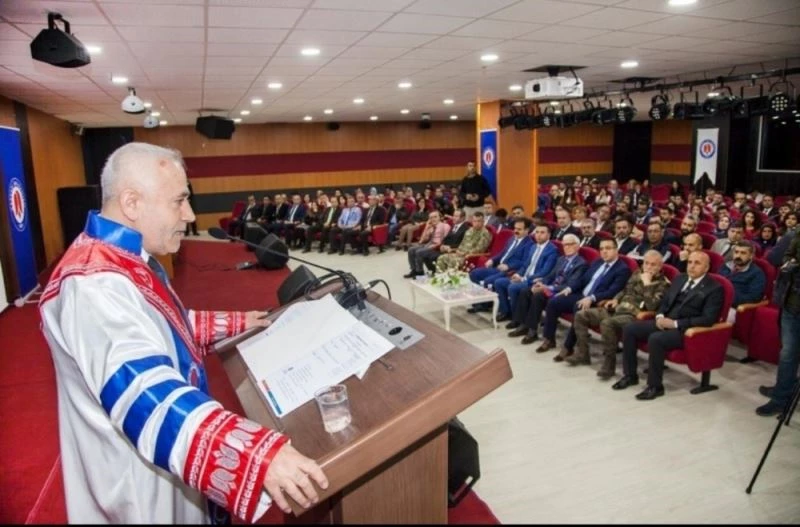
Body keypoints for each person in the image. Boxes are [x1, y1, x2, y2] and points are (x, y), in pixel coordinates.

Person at [38, 143, 328, 523]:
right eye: (179, 201)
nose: (189, 215)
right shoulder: (94, 285)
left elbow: (160, 324)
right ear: (132, 203)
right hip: (139, 482)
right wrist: (255, 455)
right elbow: (144, 393)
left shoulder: (122, 257)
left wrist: (237, 322)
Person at [613, 251, 724, 400]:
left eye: (697, 263)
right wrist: (660, 316)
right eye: (690, 262)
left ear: (707, 267)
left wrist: (675, 323)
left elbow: (708, 319)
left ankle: (655, 386)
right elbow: (665, 302)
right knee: (630, 329)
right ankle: (630, 375)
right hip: (665, 321)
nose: (691, 266)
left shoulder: (714, 288)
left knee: (656, 338)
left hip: (686, 329)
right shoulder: (680, 278)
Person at [568, 250, 670, 377]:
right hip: (617, 309)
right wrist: (615, 299)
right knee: (581, 315)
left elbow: (652, 306)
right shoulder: (637, 273)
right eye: (646, 263)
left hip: (633, 316)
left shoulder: (663, 284)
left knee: (607, 323)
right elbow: (625, 290)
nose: (648, 267)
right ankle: (583, 354)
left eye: (653, 264)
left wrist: (647, 284)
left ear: (660, 266)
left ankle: (609, 364)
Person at [536, 238, 632, 361]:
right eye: (601, 249)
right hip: (581, 295)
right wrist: (569, 289)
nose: (604, 251)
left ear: (616, 250)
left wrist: (592, 298)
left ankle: (568, 347)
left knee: (578, 308)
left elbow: (613, 291)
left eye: (608, 248)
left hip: (597, 301)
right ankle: (549, 339)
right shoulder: (598, 262)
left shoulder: (622, 269)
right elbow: (582, 280)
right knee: (554, 302)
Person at [506, 234, 587, 345]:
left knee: (538, 296)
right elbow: (550, 276)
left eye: (570, 244)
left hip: (562, 292)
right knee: (526, 291)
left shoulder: (581, 264)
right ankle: (523, 324)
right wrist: (541, 282)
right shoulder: (561, 259)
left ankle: (532, 331)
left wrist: (547, 287)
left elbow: (571, 284)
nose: (566, 247)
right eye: (564, 245)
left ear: (577, 246)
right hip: (550, 287)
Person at [757, 231, 800, 416]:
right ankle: (782, 393)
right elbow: (775, 258)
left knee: (789, 353)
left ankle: (782, 396)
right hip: (791, 301)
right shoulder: (795, 234)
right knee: (788, 353)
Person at [493, 224, 558, 322]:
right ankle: (506, 311)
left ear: (548, 235)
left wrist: (524, 279)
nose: (538, 235)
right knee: (499, 282)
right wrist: (518, 274)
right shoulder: (533, 247)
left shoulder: (552, 250)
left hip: (534, 280)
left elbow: (545, 271)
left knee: (513, 287)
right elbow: (525, 265)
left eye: (542, 233)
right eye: (537, 232)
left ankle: (517, 318)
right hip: (523, 277)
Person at [404, 211, 451, 278]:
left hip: (438, 247)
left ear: (440, 217)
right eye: (431, 218)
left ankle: (420, 271)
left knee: (419, 252)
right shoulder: (431, 227)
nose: (433, 219)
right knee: (411, 250)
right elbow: (422, 240)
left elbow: (446, 240)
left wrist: (435, 246)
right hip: (429, 244)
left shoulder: (445, 226)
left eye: (435, 217)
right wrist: (426, 227)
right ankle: (414, 270)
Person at [718, 242, 765, 308]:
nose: (738, 256)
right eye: (736, 252)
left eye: (743, 253)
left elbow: (754, 297)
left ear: (751, 256)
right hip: (715, 301)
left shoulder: (757, 273)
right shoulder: (725, 266)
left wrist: (727, 297)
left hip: (733, 306)